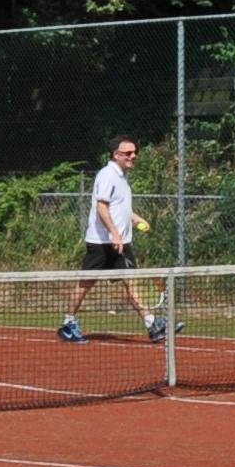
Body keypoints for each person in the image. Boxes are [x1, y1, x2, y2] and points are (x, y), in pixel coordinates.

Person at [62, 134, 166, 344]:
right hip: (101, 243)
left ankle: (151, 324)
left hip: (121, 243)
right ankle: (68, 324)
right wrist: (114, 233)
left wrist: (136, 220)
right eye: (128, 153)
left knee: (131, 284)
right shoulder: (107, 175)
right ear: (116, 155)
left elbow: (121, 209)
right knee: (85, 284)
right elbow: (102, 207)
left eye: (135, 152)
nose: (133, 156)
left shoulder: (123, 176)